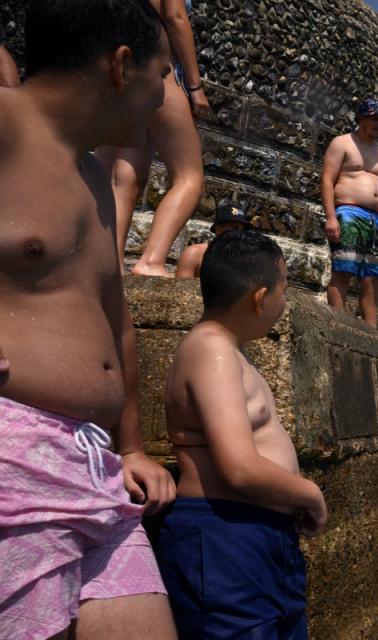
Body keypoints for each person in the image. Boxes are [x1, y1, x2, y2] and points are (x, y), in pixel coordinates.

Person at [0, 2, 178, 637]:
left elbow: (115, 318)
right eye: (163, 75)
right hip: (14, 458)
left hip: (94, 463)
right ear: (121, 67)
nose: (164, 98)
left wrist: (130, 443)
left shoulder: (95, 174)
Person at [156, 230, 327, 638]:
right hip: (224, 535)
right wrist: (310, 494)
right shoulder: (212, 350)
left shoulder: (228, 349)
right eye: (283, 292)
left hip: (256, 535)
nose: (284, 303)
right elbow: (237, 467)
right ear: (259, 296)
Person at [97, 0, 210, 277]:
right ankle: (151, 261)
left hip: (123, 69)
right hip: (160, 71)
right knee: (189, 178)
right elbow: (175, 17)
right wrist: (195, 86)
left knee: (124, 177)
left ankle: (109, 265)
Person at [323, 97, 378, 328]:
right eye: (374, 119)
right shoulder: (342, 143)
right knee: (343, 271)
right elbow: (327, 180)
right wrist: (331, 217)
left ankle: (370, 333)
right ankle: (339, 326)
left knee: (373, 280)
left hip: (376, 221)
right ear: (361, 118)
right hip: (349, 213)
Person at [174, 204, 253, 277]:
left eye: (239, 229)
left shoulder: (248, 259)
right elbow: (181, 290)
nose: (235, 233)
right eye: (232, 228)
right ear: (217, 227)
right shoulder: (195, 254)